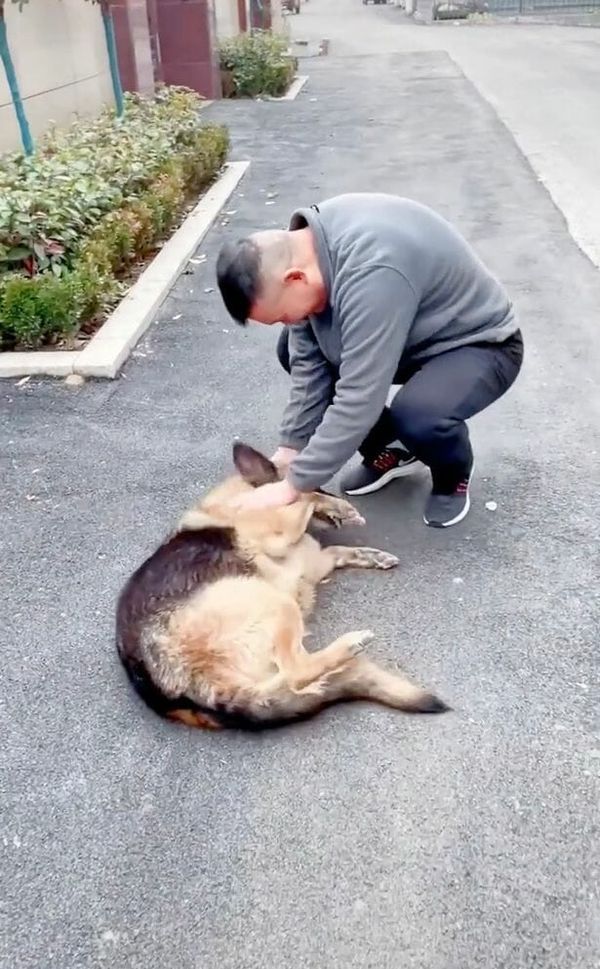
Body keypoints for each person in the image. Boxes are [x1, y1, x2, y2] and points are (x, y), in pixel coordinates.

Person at [215, 193, 523, 527]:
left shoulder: (373, 271)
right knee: (290, 349)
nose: (288, 323)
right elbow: (309, 363)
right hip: (410, 334)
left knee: (418, 414)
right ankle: (392, 450)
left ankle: (453, 477)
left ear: (294, 278)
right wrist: (292, 448)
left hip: (478, 343)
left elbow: (360, 395)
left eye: (282, 315)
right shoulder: (306, 252)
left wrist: (291, 487)